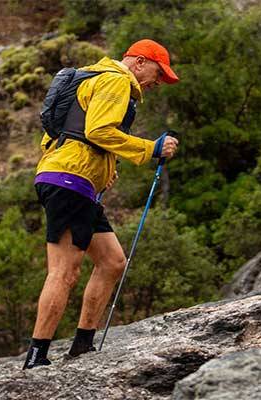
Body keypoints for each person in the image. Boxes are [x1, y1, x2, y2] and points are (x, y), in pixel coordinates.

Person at [23, 39, 180, 369]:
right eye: (158, 73)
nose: (157, 83)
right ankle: (36, 359)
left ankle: (82, 345)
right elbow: (98, 131)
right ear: (138, 62)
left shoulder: (94, 78)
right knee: (65, 271)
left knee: (112, 262)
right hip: (69, 180)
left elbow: (68, 133)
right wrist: (150, 149)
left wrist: (103, 171)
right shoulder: (116, 79)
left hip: (71, 180)